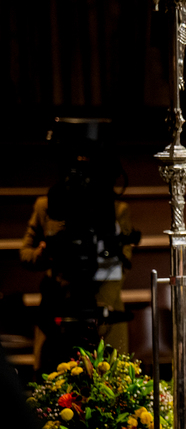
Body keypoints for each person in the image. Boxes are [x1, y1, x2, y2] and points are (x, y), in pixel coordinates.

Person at [20, 117, 136, 374]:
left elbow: (123, 263)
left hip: (103, 314)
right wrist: (43, 252)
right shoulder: (46, 206)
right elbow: (24, 253)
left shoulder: (116, 210)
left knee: (108, 386)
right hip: (56, 313)